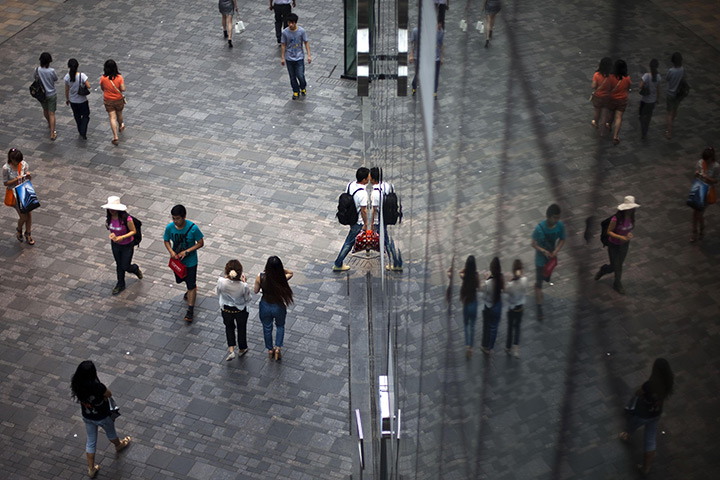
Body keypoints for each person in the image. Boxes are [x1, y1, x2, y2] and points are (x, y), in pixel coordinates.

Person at [70, 360, 131, 478]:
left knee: (91, 441)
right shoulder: (97, 386)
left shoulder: (76, 384)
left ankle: (91, 468)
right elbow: (108, 394)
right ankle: (119, 445)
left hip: (87, 416)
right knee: (111, 433)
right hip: (102, 416)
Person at [619, 358, 674, 475]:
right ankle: (646, 467)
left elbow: (639, 392)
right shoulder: (667, 384)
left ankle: (627, 435)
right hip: (656, 414)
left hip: (643, 414)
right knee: (650, 439)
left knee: (632, 424)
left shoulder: (650, 385)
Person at [163, 204, 205, 322]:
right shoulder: (170, 227)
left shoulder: (193, 228)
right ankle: (190, 288)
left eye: (178, 218)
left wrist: (187, 252)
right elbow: (166, 240)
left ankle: (190, 310)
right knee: (179, 280)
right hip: (177, 261)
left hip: (191, 262)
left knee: (191, 285)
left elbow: (200, 243)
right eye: (173, 218)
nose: (175, 221)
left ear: (184, 217)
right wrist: (171, 251)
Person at [594, 196, 640, 295]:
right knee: (615, 265)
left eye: (632, 208)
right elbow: (609, 232)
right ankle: (605, 270)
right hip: (614, 244)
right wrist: (620, 237)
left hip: (624, 245)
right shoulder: (616, 219)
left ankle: (617, 283)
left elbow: (629, 228)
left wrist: (628, 234)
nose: (631, 210)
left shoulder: (632, 217)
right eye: (629, 208)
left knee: (618, 265)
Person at [254, 256, 293, 360]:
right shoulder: (282, 278)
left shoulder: (260, 277)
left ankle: (270, 349)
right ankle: (278, 348)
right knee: (280, 326)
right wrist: (281, 269)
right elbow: (291, 272)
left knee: (267, 327)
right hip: (278, 305)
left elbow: (255, 291)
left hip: (265, 305)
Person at [102, 196, 142, 295]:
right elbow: (111, 228)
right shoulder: (109, 217)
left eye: (113, 208)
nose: (111, 210)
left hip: (127, 245)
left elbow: (133, 231)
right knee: (119, 265)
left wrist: (122, 237)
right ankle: (120, 284)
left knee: (125, 265)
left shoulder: (126, 218)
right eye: (110, 208)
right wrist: (113, 235)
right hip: (115, 245)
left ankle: (135, 269)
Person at [531, 204, 565, 321]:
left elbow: (562, 239)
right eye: (554, 217)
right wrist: (543, 251)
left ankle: (537, 285)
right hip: (540, 261)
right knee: (540, 284)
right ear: (548, 216)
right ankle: (539, 308)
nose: (556, 220)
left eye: (558, 217)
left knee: (546, 279)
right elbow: (533, 243)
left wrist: (556, 250)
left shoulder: (560, 226)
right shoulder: (539, 229)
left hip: (550, 260)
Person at [333, 167, 370, 271]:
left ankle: (368, 249)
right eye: (368, 177)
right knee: (349, 242)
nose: (369, 178)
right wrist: (366, 223)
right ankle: (338, 263)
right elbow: (364, 211)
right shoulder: (363, 194)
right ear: (364, 180)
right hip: (357, 221)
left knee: (358, 237)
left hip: (350, 216)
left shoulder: (351, 184)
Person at [216, 260, 252, 360]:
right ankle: (242, 348)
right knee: (241, 328)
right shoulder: (243, 286)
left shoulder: (221, 282)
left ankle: (231, 350)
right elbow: (247, 298)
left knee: (229, 327)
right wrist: (245, 283)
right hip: (240, 310)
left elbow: (218, 292)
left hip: (226, 309)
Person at [369, 167, 403, 271]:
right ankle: (396, 260)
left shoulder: (374, 193)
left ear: (373, 179)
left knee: (385, 240)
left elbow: (374, 210)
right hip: (390, 214)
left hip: (381, 217)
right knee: (387, 238)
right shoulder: (388, 185)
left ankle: (395, 262)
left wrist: (371, 224)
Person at [4, 148, 35, 244]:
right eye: (16, 161)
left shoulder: (23, 164)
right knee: (23, 216)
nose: (18, 163)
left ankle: (28, 233)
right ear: (11, 159)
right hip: (14, 193)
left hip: (25, 190)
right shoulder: (6, 168)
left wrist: (28, 175)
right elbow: (5, 183)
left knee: (28, 214)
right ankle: (19, 229)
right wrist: (16, 179)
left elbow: (27, 175)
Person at [280, 13, 311, 100]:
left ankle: (303, 87)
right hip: (289, 57)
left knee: (300, 75)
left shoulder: (301, 31)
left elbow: (306, 42)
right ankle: (295, 91)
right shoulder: (285, 32)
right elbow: (283, 44)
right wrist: (282, 57)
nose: (290, 24)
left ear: (295, 23)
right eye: (289, 22)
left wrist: (309, 55)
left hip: (299, 57)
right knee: (292, 76)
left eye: (292, 23)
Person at [690, 147, 718, 242]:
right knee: (695, 213)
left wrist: (707, 178)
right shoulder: (700, 163)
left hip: (707, 192)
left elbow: (716, 180)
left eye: (707, 159)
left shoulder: (716, 166)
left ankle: (701, 228)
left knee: (699, 214)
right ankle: (694, 232)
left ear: (711, 158)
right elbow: (695, 174)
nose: (705, 161)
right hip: (698, 189)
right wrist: (697, 174)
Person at [409, 23, 444, 98]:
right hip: (416, 56)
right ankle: (414, 86)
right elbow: (412, 43)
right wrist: (411, 55)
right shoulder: (415, 31)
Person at [480, 257, 504, 354]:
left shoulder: (488, 283)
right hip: (498, 305)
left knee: (487, 327)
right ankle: (490, 347)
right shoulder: (501, 278)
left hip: (489, 307)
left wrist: (486, 279)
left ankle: (485, 346)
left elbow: (483, 294)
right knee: (494, 327)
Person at [99, 59, 126, 146]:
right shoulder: (119, 77)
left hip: (108, 100)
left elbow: (102, 88)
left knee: (112, 117)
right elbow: (123, 89)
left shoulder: (103, 78)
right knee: (119, 113)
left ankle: (115, 136)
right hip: (118, 99)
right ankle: (121, 124)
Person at [605, 59, 631, 145]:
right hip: (622, 99)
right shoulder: (627, 78)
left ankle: (609, 124)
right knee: (619, 117)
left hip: (612, 99)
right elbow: (628, 87)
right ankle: (616, 136)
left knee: (611, 113)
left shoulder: (611, 77)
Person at [64, 58, 91, 140]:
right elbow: (89, 86)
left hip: (73, 101)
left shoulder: (67, 77)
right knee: (86, 115)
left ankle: (80, 130)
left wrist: (67, 99)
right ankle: (83, 130)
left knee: (77, 116)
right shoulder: (82, 76)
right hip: (82, 100)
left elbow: (66, 89)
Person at [505, 259, 527, 358]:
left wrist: (510, 281)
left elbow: (507, 295)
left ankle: (508, 347)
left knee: (510, 328)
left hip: (511, 309)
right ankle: (516, 350)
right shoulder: (524, 280)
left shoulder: (510, 285)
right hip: (520, 308)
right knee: (517, 328)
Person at [459, 255, 480, 358]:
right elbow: (478, 287)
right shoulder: (476, 276)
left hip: (466, 303)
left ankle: (467, 346)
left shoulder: (465, 276)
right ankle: (471, 347)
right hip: (474, 303)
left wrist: (465, 269)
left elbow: (460, 273)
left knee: (465, 325)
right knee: (472, 326)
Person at [35, 52, 59, 141]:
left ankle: (49, 123)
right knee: (52, 113)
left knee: (45, 110)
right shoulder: (51, 71)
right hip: (51, 93)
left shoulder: (37, 70)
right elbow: (55, 79)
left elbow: (35, 78)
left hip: (41, 94)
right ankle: (52, 133)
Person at [638, 59, 661, 140]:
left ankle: (643, 129)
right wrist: (657, 99)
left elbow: (640, 86)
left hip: (645, 100)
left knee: (641, 115)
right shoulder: (658, 77)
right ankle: (645, 131)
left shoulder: (646, 76)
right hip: (652, 101)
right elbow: (658, 89)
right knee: (648, 117)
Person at [665, 52, 684, 140]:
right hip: (678, 94)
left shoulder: (671, 71)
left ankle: (669, 131)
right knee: (675, 110)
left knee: (669, 112)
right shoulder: (682, 70)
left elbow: (667, 79)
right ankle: (671, 122)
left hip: (670, 93)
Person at [590, 57, 613, 130]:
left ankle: (595, 122)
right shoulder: (611, 76)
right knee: (606, 111)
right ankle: (606, 123)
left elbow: (593, 86)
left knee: (597, 111)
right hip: (607, 97)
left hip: (598, 96)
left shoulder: (597, 75)